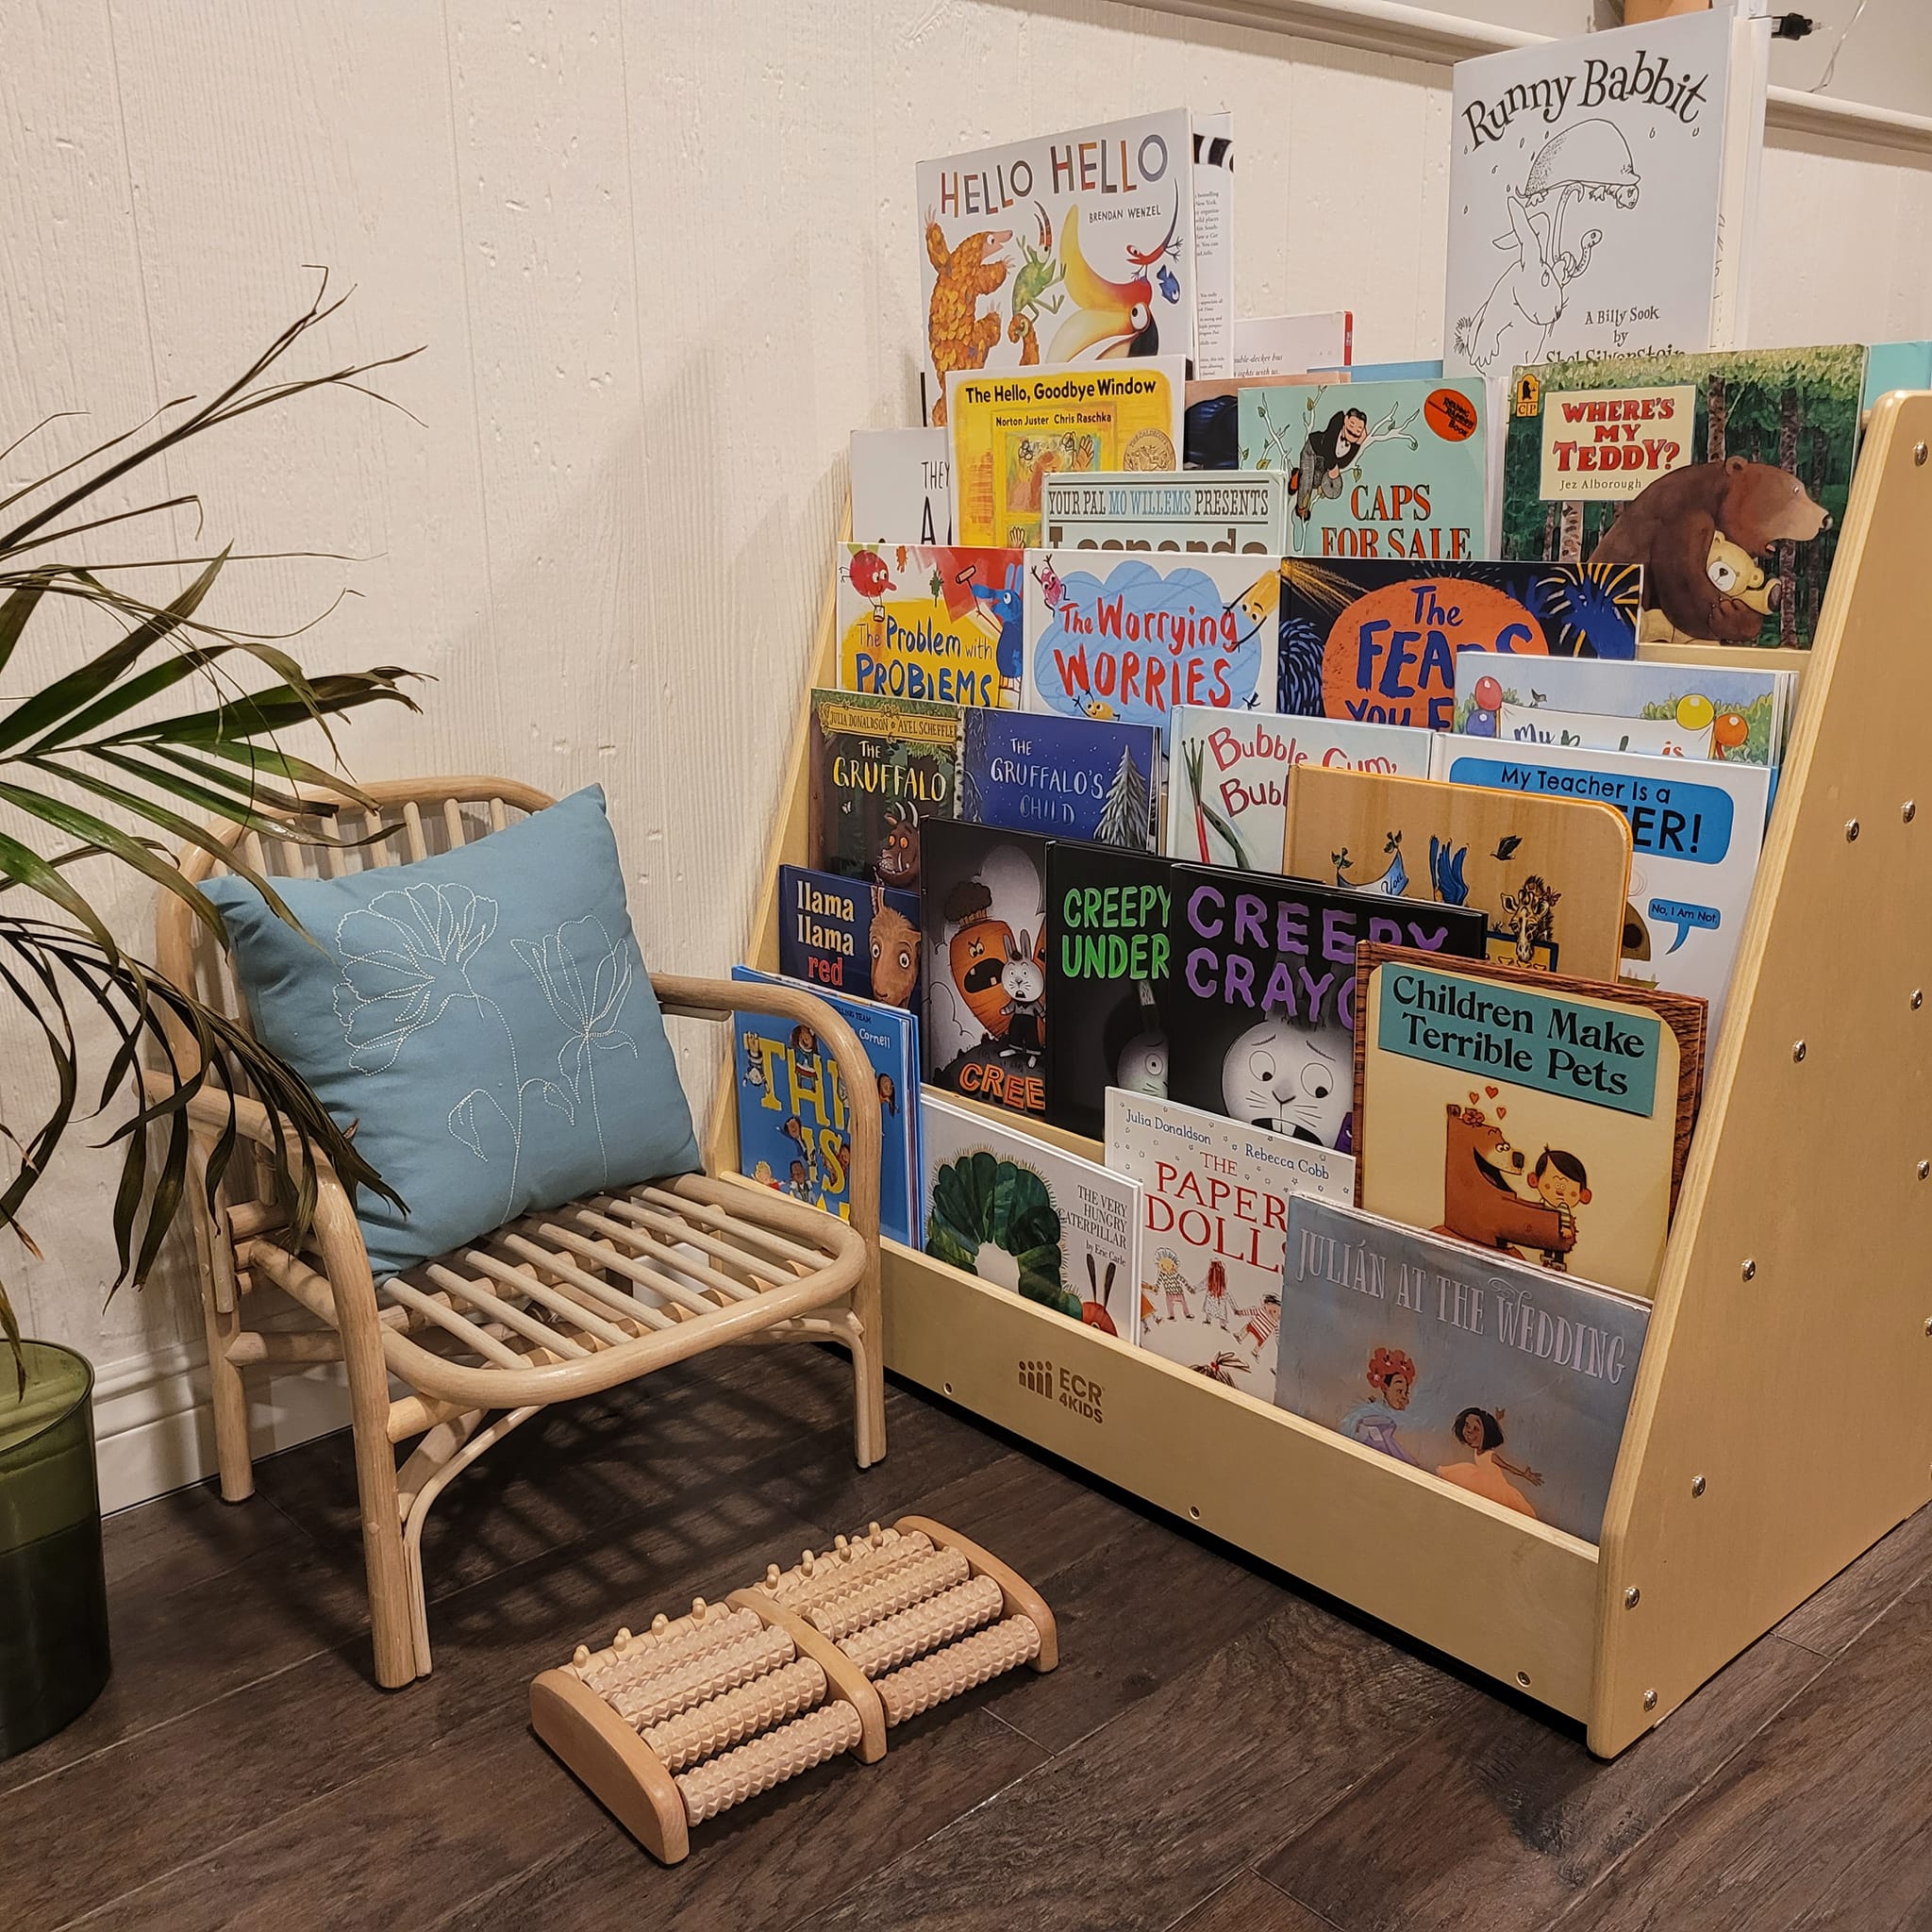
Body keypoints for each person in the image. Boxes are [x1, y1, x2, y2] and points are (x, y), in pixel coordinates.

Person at [1436, 1407, 1543, 1517]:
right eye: (1467, 1425)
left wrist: (1524, 1475)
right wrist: (1498, 1420)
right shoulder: (1477, 1449)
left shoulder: (1491, 1455)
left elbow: (1508, 1467)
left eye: (1476, 1429)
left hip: (1496, 1486)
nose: (1469, 1431)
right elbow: (1489, 1430)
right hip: (1479, 1478)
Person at [1337, 1346, 1421, 1465]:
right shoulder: (1373, 1424)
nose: (1404, 1397)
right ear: (1385, 1388)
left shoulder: (1388, 1425)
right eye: (1399, 1391)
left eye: (1406, 1393)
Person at [1530, 1147, 1591, 1273]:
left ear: (1583, 1195)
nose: (1559, 1190)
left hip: (1559, 1233)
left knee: (1558, 1246)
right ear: (1535, 1180)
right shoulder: (1543, 1204)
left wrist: (1566, 1228)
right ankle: (1547, 1259)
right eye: (1551, 1185)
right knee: (1547, 1243)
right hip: (1544, 1232)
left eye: (1569, 1189)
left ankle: (1557, 1262)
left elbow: (1565, 1218)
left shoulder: (1562, 1207)